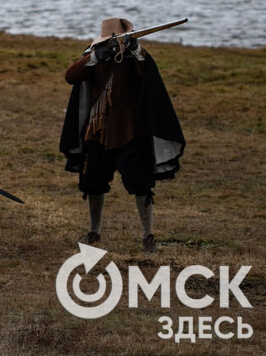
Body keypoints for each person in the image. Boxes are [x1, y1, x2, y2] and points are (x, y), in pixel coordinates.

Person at [59, 18, 185, 254]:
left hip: (131, 132)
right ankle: (94, 231)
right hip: (97, 132)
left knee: (141, 184)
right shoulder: (95, 57)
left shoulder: (137, 58)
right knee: (93, 183)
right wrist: (97, 56)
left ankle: (148, 235)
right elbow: (71, 76)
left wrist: (134, 49)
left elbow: (147, 71)